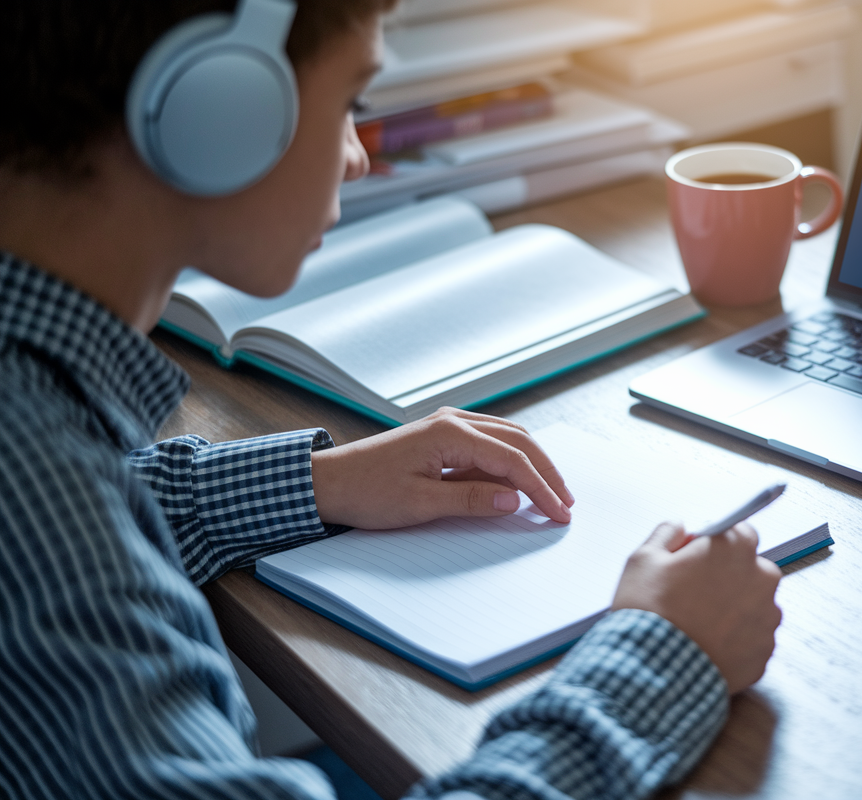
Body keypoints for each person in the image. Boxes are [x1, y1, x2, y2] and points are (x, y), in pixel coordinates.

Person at [0, 2, 784, 799]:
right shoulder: (39, 494)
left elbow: (86, 507)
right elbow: (56, 529)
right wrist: (661, 659)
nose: (357, 158)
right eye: (351, 104)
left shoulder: (36, 434)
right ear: (220, 107)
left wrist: (319, 482)